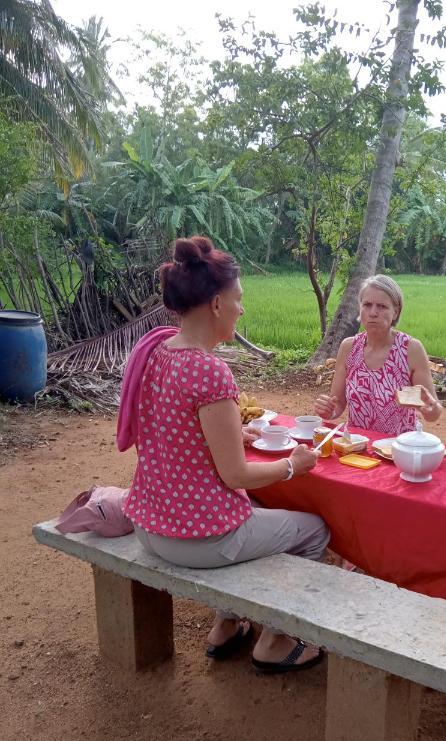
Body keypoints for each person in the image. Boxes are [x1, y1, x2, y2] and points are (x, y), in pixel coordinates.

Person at [117, 236, 329, 673]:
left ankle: (227, 625)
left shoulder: (157, 352)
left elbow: (175, 431)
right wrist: (294, 465)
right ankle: (275, 637)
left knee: (258, 511)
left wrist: (235, 430)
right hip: (196, 538)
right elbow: (234, 475)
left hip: (149, 523)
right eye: (238, 299)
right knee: (314, 530)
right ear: (216, 304)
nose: (241, 308)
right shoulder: (210, 370)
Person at [315, 274, 443, 435]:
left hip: (399, 447)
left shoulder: (411, 350)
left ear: (395, 312)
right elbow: (338, 403)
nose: (373, 312)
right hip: (358, 445)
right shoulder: (348, 348)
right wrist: (328, 411)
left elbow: (433, 409)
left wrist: (431, 409)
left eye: (382, 306)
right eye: (367, 305)